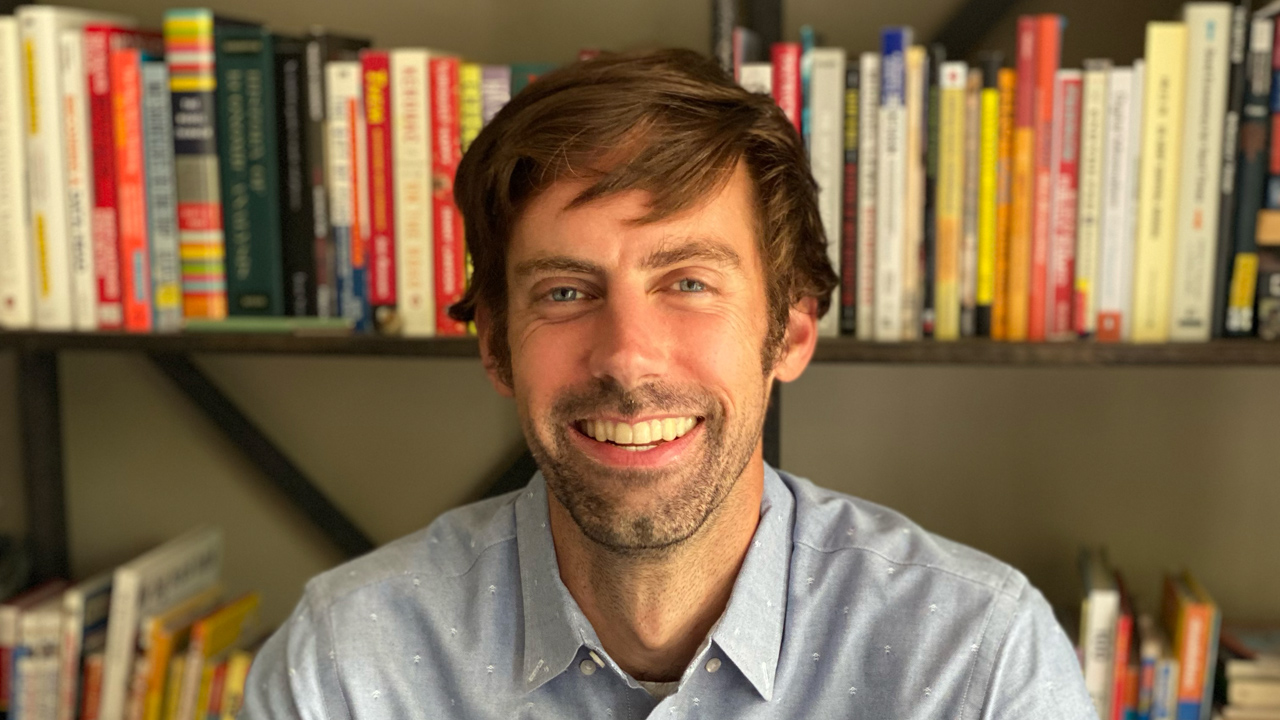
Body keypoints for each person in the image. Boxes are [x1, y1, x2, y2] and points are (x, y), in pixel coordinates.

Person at [242, 48, 1094, 719]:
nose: (628, 358)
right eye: (566, 292)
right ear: (496, 347)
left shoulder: (975, 661)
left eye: (688, 282)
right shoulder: (345, 668)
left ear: (791, 330)